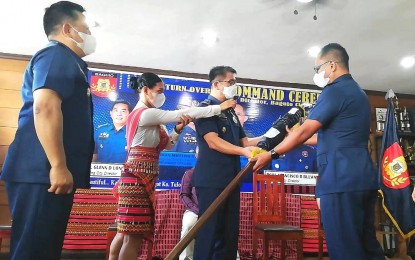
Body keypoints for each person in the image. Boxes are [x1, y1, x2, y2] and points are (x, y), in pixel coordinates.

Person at [252, 43, 384, 260]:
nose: (317, 74)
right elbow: (327, 137)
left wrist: (272, 153)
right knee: (366, 246)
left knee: (345, 249)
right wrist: (291, 139)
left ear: (332, 65)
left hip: (340, 179)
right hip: (361, 179)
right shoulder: (357, 93)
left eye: (318, 68)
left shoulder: (334, 90)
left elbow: (305, 130)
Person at [0, 2, 95, 259]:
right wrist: (58, 165)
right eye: (85, 28)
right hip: (43, 172)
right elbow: (45, 106)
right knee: (34, 251)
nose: (90, 34)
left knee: (43, 249)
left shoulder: (70, 62)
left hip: (46, 174)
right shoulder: (56, 55)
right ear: (68, 29)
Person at [108, 72, 236, 260]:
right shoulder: (145, 114)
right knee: (131, 236)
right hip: (136, 178)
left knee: (125, 232)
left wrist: (177, 129)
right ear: (145, 90)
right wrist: (219, 108)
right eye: (159, 91)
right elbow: (179, 114)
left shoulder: (153, 120)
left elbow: (167, 145)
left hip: (144, 177)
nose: (162, 95)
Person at [192, 66, 260, 260]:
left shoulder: (231, 112)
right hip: (212, 180)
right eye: (230, 82)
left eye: (234, 82)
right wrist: (242, 151)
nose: (234, 86)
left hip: (232, 179)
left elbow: (244, 142)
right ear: (216, 84)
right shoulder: (204, 109)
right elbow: (213, 141)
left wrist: (274, 136)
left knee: (229, 234)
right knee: (209, 232)